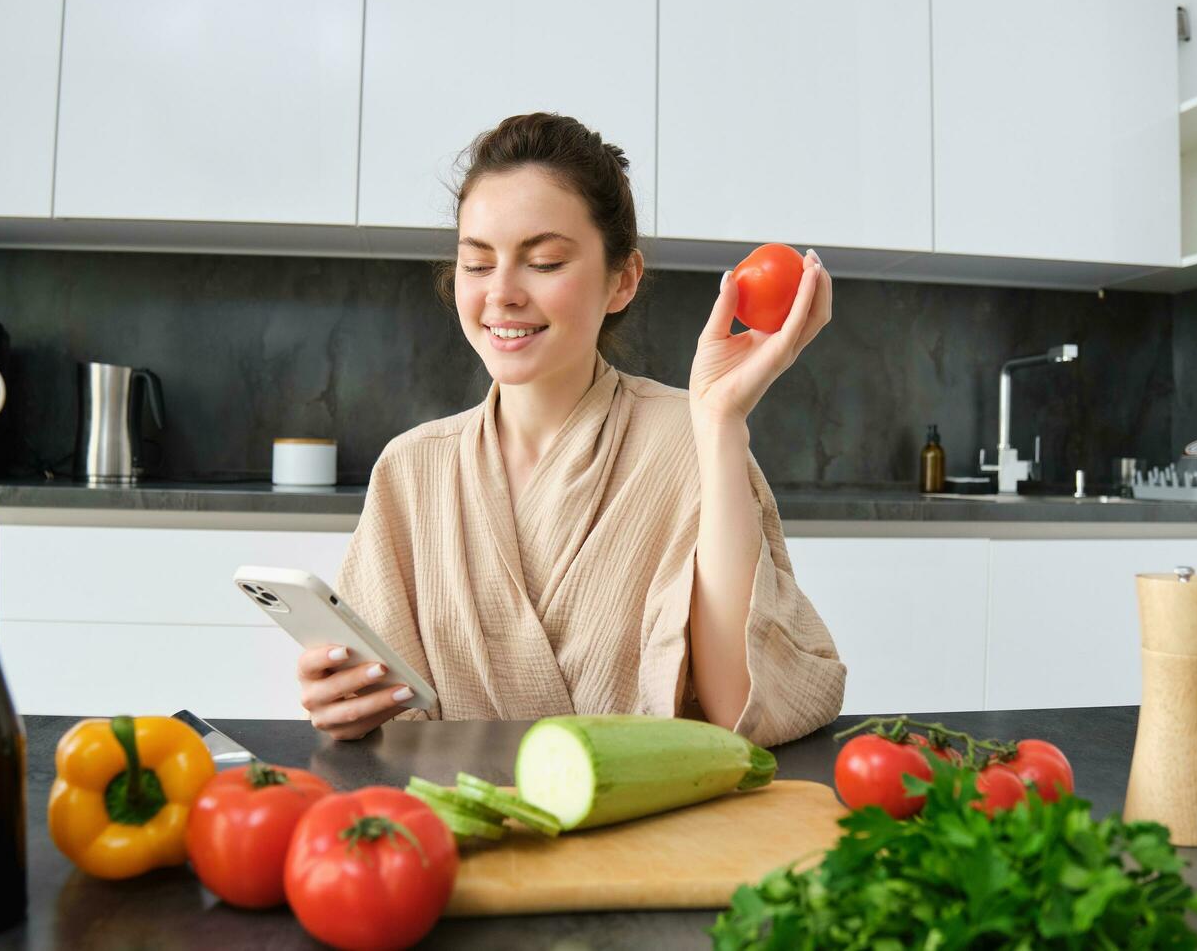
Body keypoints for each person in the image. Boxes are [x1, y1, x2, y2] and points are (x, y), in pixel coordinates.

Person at [297, 112, 844, 746]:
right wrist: (344, 702)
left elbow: (742, 712)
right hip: (465, 831)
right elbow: (386, 716)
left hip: (653, 835)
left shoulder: (691, 437)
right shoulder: (411, 468)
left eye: (546, 262)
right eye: (477, 265)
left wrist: (721, 423)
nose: (501, 294)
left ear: (624, 279)